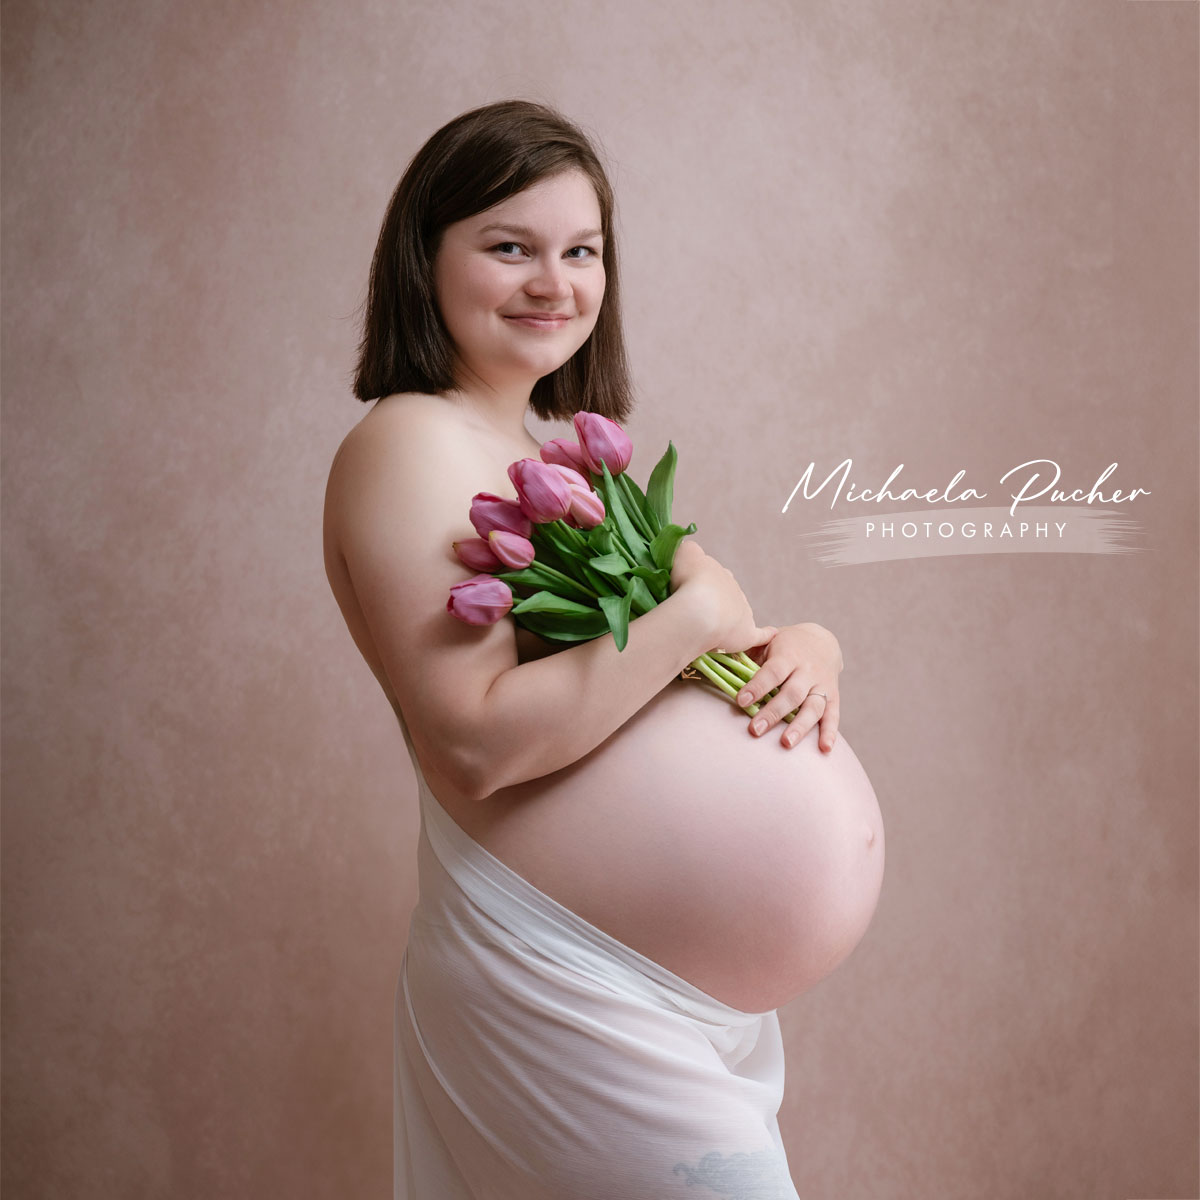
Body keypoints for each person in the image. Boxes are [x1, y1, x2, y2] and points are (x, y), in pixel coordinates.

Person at [324, 99, 882, 1200]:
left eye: (581, 251)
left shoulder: (551, 459)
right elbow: (471, 744)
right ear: (423, 259)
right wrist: (695, 616)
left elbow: (707, 640)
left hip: (643, 995)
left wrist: (812, 649)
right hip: (560, 983)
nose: (555, 283)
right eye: (510, 248)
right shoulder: (407, 441)